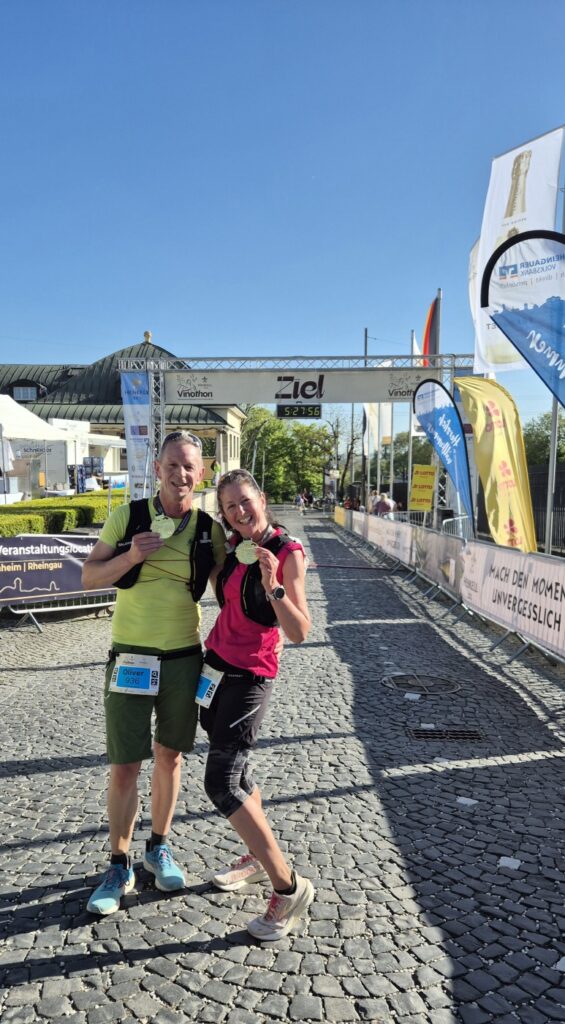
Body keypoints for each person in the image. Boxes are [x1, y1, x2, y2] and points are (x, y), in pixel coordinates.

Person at [82, 430, 226, 915]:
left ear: (200, 474)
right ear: (158, 469)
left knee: (170, 758)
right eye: (172, 465)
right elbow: (89, 576)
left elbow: (228, 589)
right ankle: (118, 864)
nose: (180, 474)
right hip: (130, 657)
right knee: (125, 765)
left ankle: (158, 847)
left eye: (189, 466)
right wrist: (131, 556)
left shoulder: (208, 529)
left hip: (184, 656)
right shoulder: (129, 516)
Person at [200, 468, 314, 940]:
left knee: (222, 782)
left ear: (262, 499)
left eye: (246, 501)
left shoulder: (287, 552)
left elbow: (299, 630)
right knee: (241, 772)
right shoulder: (231, 548)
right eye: (231, 506)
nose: (240, 511)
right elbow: (224, 598)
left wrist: (274, 587)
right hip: (214, 667)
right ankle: (254, 856)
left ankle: (288, 888)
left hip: (251, 675)